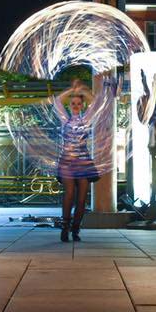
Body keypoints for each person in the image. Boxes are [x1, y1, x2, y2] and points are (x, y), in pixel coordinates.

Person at [53, 79, 100, 242]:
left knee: (81, 199)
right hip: (67, 162)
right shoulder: (65, 119)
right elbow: (58, 101)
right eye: (72, 103)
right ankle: (65, 228)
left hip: (83, 162)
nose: (75, 106)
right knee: (70, 193)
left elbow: (95, 102)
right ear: (69, 105)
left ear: (82, 105)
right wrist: (71, 90)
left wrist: (81, 90)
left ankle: (76, 229)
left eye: (78, 103)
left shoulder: (86, 120)